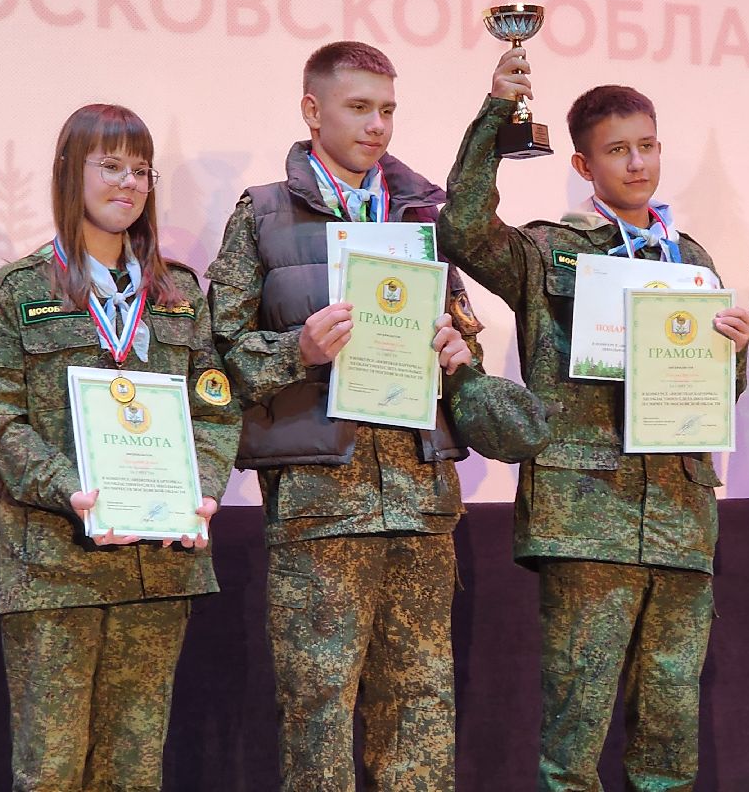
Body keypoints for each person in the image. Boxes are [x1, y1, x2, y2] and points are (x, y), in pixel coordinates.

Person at [206, 40, 541, 792]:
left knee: (420, 709)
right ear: (312, 110)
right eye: (359, 108)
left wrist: (459, 352)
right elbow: (216, 363)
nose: (377, 126)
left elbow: (465, 358)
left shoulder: (422, 216)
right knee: (319, 710)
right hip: (320, 511)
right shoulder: (262, 214)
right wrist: (300, 348)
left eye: (388, 109)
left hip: (422, 504)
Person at [437, 50, 749, 791]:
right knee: (575, 738)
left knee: (670, 739)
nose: (637, 163)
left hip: (679, 519)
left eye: (647, 145)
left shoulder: (693, 259)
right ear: (583, 163)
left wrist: (734, 357)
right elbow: (461, 227)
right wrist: (496, 117)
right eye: (617, 150)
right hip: (586, 518)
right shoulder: (548, 249)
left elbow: (711, 396)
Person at [0, 103, 239, 790]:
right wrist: (70, 489)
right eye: (111, 165)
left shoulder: (178, 294)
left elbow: (214, 405)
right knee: (52, 771)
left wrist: (203, 490)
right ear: (69, 172)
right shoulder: (17, 293)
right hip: (56, 570)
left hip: (158, 567)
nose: (129, 183)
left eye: (141, 170)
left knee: (133, 773)